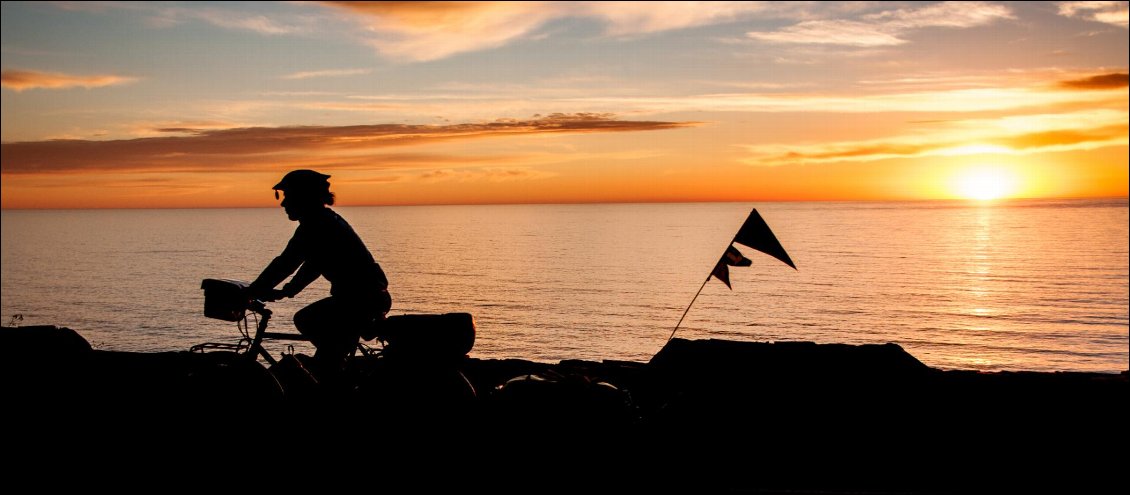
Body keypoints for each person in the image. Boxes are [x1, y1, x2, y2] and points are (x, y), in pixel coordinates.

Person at [247, 169, 391, 381]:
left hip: (361, 299)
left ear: (303, 197)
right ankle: (333, 370)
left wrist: (254, 290)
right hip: (363, 297)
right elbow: (314, 262)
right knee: (326, 342)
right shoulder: (324, 221)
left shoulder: (317, 225)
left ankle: (333, 380)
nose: (283, 203)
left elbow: (288, 262)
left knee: (307, 320)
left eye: (288, 196)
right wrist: (288, 290)